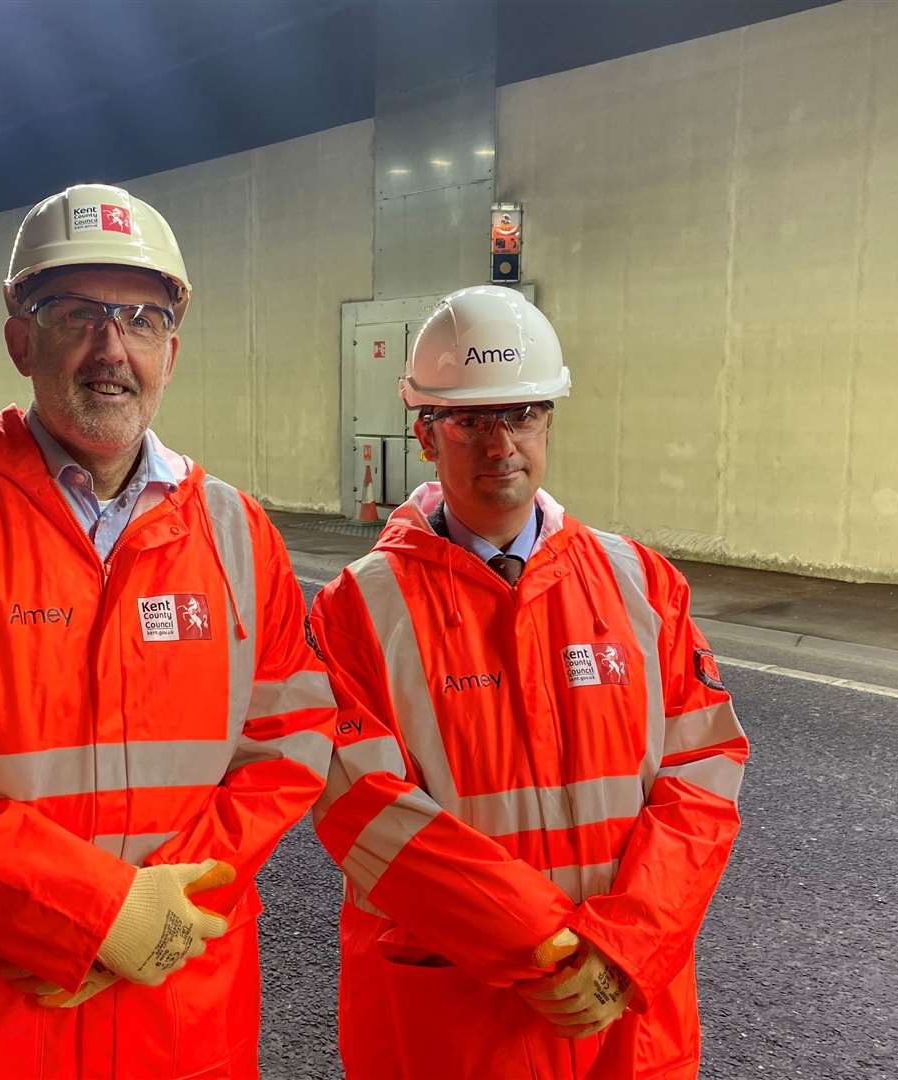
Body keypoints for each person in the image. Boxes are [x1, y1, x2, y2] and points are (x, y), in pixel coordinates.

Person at [0, 183, 335, 1079]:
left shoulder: (239, 533)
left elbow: (290, 743)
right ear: (20, 335)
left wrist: (161, 911)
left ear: (174, 341)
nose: (111, 350)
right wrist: (89, 913)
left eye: (139, 315)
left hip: (176, 1008)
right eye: (76, 314)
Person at [309, 285, 748, 1078]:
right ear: (425, 434)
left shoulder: (639, 583)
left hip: (626, 1010)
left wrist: (625, 944)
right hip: (461, 1021)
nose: (500, 444)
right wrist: (544, 949)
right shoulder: (358, 610)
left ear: (549, 420)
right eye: (471, 420)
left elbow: (704, 776)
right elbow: (366, 812)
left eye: (523, 415)